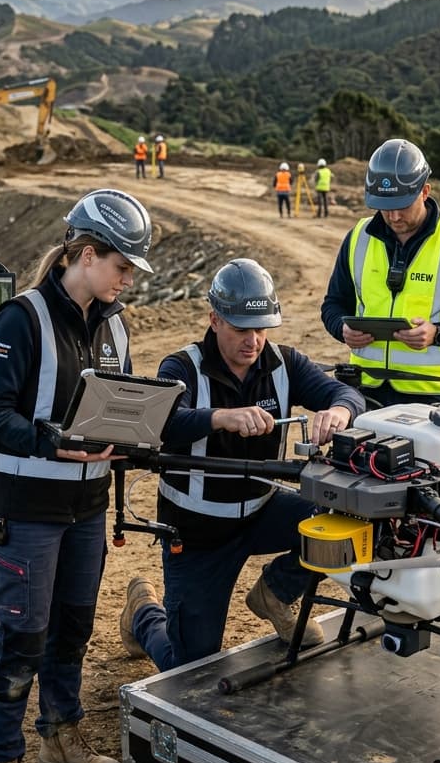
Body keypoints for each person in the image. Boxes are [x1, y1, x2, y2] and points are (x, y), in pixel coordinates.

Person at [0, 188, 154, 763]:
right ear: (84, 254)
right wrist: (57, 439)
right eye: (122, 266)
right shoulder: (20, 320)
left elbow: (121, 403)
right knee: (21, 638)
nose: (127, 280)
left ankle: (60, 735)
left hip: (86, 509)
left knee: (73, 628)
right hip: (26, 510)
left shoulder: (114, 324)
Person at [119, 258, 364, 672]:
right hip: (197, 531)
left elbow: (346, 395)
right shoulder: (181, 367)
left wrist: (340, 412)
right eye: (240, 329)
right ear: (214, 319)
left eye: (261, 329)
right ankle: (143, 615)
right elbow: (160, 424)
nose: (253, 341)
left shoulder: (284, 362)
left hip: (262, 511)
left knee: (350, 512)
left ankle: (276, 589)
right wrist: (219, 417)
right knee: (191, 669)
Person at [321, 138, 440, 408]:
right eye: (384, 206)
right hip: (365, 389)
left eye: (402, 205)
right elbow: (333, 304)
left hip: (432, 396)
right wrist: (342, 329)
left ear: (425, 191)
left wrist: (438, 333)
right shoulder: (358, 237)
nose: (393, 217)